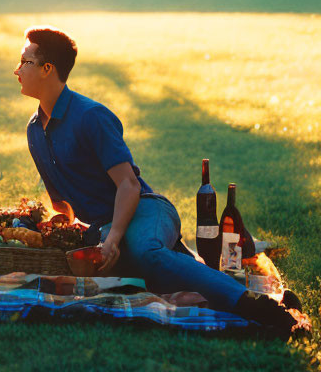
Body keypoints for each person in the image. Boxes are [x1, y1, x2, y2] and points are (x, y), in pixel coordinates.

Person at [15, 26, 304, 337]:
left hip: (144, 210)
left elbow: (129, 185)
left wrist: (112, 242)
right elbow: (62, 205)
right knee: (151, 277)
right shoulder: (34, 131)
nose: (16, 70)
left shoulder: (91, 117)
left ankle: (266, 311)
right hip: (102, 228)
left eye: (24, 62)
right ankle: (272, 299)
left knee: (147, 256)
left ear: (47, 69)